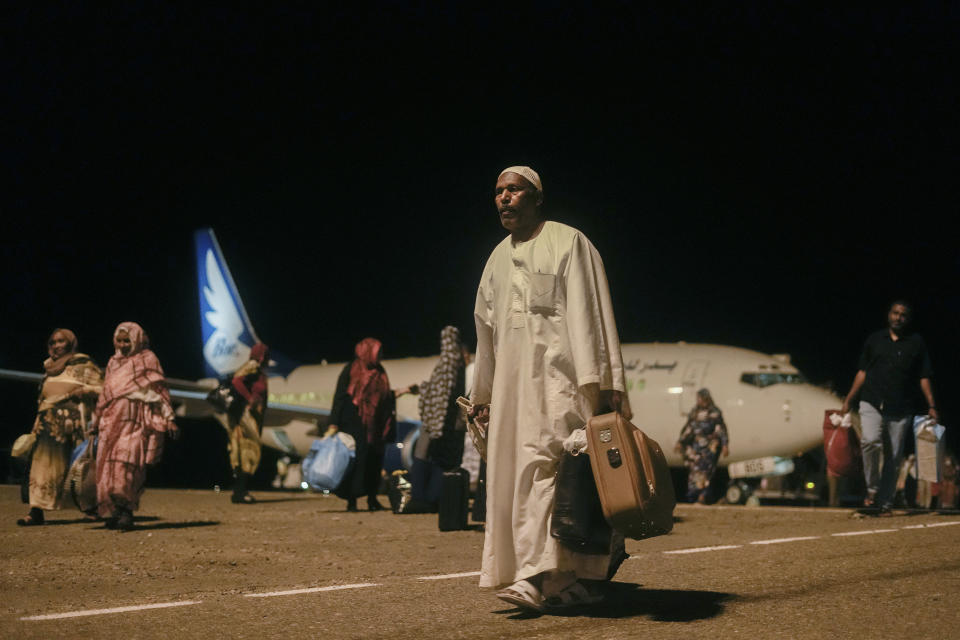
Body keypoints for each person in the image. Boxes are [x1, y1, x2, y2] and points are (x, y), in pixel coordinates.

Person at [469, 166, 630, 613]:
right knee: (519, 483)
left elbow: (591, 317)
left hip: (563, 387)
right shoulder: (496, 260)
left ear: (537, 197)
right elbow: (486, 334)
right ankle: (560, 580)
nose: (504, 197)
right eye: (498, 191)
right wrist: (482, 398)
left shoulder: (569, 242)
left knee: (555, 478)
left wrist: (603, 387)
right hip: (512, 395)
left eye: (514, 189)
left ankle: (537, 578)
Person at [841, 300, 937, 515]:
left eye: (903, 314)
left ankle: (884, 502)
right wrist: (848, 399)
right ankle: (872, 490)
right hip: (871, 401)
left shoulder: (916, 343)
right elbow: (862, 372)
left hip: (901, 408)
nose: (898, 317)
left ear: (908, 319)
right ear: (888, 315)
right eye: (895, 313)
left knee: (893, 458)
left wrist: (931, 405)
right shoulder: (875, 340)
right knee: (870, 441)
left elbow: (924, 376)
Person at [91, 322, 178, 530]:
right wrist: (96, 421)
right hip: (112, 422)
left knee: (127, 464)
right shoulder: (113, 362)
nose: (122, 345)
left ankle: (127, 511)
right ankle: (115, 511)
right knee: (108, 468)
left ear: (137, 339)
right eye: (119, 340)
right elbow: (105, 394)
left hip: (135, 421)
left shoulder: (147, 360)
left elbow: (159, 391)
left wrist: (169, 418)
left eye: (127, 340)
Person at [17, 329, 103, 526]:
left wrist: (85, 390)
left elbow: (103, 388)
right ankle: (36, 511)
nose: (55, 346)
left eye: (60, 341)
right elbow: (43, 400)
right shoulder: (48, 368)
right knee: (42, 468)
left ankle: (90, 508)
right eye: (52, 342)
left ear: (71, 343)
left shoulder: (83, 364)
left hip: (75, 425)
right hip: (48, 426)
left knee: (80, 467)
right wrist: (35, 426)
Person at [327, 338, 396, 512]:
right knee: (356, 462)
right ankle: (352, 501)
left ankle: (372, 499)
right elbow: (340, 398)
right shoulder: (351, 369)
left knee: (374, 460)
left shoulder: (380, 371)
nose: (380, 356)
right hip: (354, 423)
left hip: (376, 424)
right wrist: (334, 422)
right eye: (377, 352)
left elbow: (385, 396)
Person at [409, 326, 467, 509]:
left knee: (425, 456)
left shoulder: (446, 362)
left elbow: (444, 394)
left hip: (439, 420)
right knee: (443, 460)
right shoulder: (457, 363)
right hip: (449, 420)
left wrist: (437, 421)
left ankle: (420, 498)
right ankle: (431, 498)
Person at [225, 342, 269, 504]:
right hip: (245, 418)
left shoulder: (257, 370)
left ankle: (240, 491)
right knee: (248, 452)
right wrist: (249, 399)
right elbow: (237, 381)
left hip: (250, 418)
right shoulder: (252, 366)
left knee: (246, 452)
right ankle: (241, 492)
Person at [674, 388, 730, 504]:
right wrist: (680, 442)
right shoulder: (695, 411)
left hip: (710, 447)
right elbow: (689, 428)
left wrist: (724, 445)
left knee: (706, 472)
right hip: (696, 447)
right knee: (695, 472)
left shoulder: (714, 412)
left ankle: (703, 497)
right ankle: (693, 497)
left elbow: (720, 429)